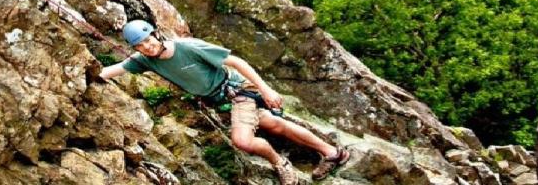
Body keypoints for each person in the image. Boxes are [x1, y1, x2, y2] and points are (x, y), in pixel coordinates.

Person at [99, 20, 352, 184]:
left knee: (242, 140)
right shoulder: (144, 60)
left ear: (156, 33)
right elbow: (116, 69)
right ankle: (333, 153)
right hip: (221, 100)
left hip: (237, 90)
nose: (147, 47)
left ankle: (281, 164)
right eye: (141, 46)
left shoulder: (188, 47)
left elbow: (236, 62)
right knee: (272, 124)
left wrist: (266, 89)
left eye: (148, 40)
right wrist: (88, 71)